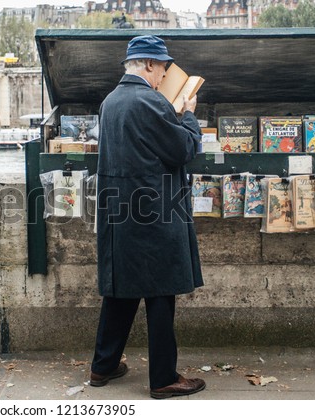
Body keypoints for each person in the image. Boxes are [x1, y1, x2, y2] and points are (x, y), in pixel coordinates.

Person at [90, 35, 206, 399]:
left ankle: (103, 366)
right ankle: (163, 378)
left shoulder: (111, 101)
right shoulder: (149, 100)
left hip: (119, 212)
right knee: (160, 292)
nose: (164, 75)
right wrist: (188, 114)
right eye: (163, 68)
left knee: (121, 290)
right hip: (153, 212)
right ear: (150, 65)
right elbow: (183, 149)